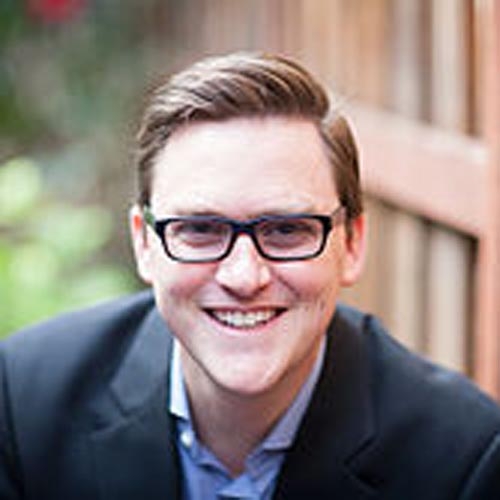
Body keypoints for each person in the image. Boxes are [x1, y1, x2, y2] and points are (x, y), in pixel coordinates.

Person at [1, 52, 499, 500]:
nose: (244, 277)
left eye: (287, 229)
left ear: (351, 243)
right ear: (145, 244)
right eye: (200, 229)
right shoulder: (24, 404)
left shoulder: (464, 459)